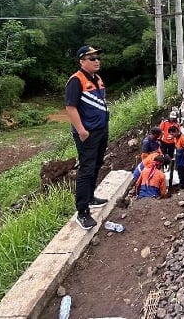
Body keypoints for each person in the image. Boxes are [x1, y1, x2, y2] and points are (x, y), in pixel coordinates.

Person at [65, 45, 110, 230]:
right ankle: (82, 212)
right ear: (82, 61)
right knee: (86, 169)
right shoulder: (76, 81)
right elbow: (70, 107)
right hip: (87, 133)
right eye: (92, 58)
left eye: (97, 57)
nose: (97, 60)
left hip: (101, 130)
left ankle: (91, 197)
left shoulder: (97, 79)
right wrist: (82, 131)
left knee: (97, 164)